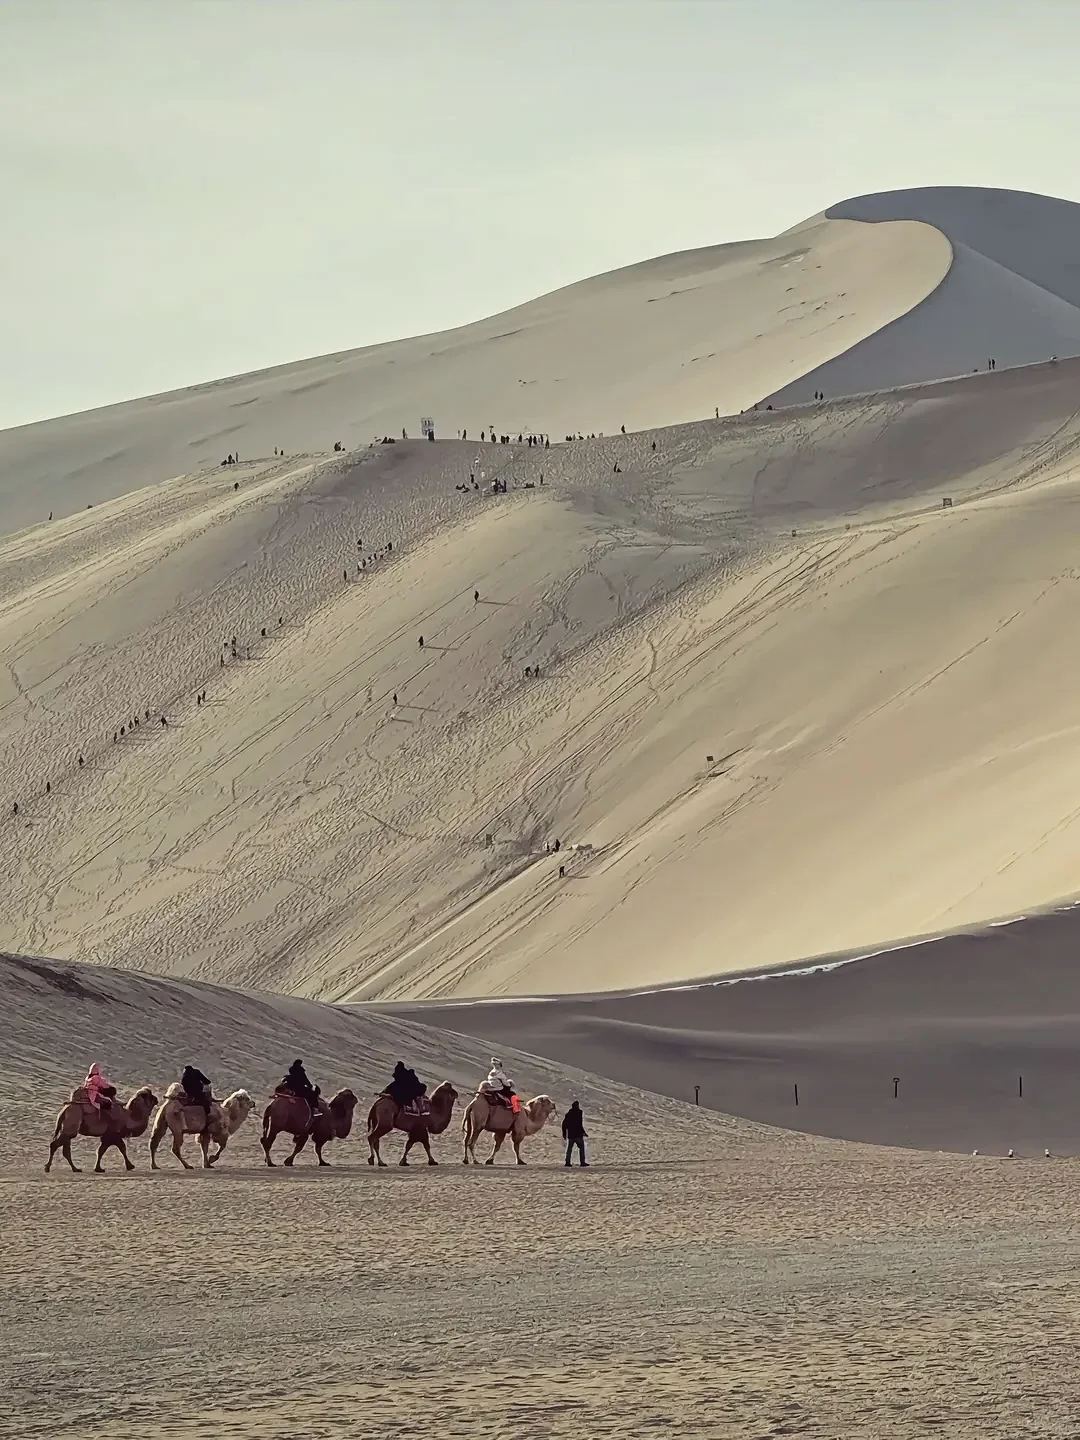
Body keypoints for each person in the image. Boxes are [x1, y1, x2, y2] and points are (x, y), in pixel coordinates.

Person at [562, 1101, 588, 1167]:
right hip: (578, 1134)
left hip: (571, 1134)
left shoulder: (568, 1114)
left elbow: (564, 1124)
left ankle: (567, 1162)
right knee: (581, 1148)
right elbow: (579, 1124)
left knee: (569, 1149)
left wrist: (564, 1133)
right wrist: (583, 1132)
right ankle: (582, 1162)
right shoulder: (579, 1113)